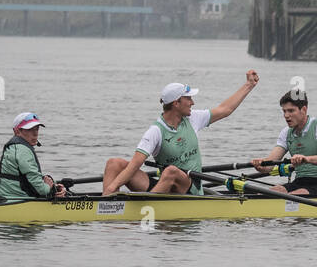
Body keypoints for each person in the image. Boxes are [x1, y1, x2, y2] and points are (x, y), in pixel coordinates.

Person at [101, 71, 260, 195]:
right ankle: (106, 205)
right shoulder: (156, 131)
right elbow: (135, 163)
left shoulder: (193, 119)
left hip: (190, 188)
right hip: (163, 187)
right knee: (114, 164)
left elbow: (226, 110)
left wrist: (249, 85)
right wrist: (113, 186)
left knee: (171, 171)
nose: (193, 102)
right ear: (176, 103)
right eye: (188, 98)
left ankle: (144, 208)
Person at [251, 91, 317, 196]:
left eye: (291, 111)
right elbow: (269, 166)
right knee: (266, 194)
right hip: (299, 182)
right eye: (284, 111)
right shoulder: (286, 133)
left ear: (304, 110)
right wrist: (260, 165)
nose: (286, 116)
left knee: (292, 197)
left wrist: (306, 159)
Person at [0, 112, 66, 199]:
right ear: (17, 131)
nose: (35, 133)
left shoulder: (14, 147)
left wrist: (54, 186)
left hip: (7, 197)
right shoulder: (22, 150)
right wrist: (48, 188)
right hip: (18, 200)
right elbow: (41, 190)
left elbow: (31, 176)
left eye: (37, 129)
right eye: (29, 129)